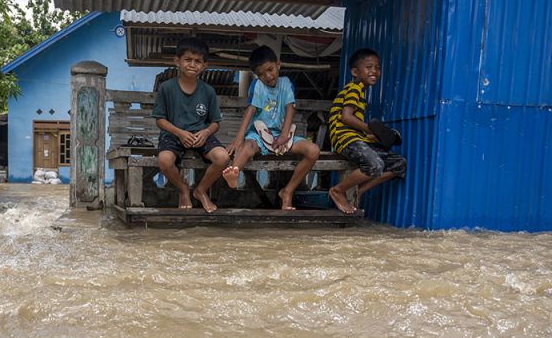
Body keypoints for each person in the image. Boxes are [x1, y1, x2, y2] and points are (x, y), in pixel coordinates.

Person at [222, 46, 320, 210]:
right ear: (256, 75)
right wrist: (238, 138)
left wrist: (283, 135)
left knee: (314, 150)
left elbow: (290, 108)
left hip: (283, 135)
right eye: (261, 74)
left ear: (278, 64)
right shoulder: (258, 86)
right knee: (247, 146)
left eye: (270, 69)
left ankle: (287, 192)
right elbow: (250, 110)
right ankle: (235, 172)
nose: (267, 76)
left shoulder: (286, 83)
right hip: (259, 135)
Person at [152, 37, 230, 212]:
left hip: (200, 135)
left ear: (205, 65)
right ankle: (183, 188)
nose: (192, 64)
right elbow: (160, 120)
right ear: (177, 61)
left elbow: (215, 122)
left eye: (198, 61)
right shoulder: (166, 88)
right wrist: (179, 133)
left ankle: (201, 190)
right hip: (173, 134)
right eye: (188, 60)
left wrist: (206, 132)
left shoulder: (208, 91)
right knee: (164, 160)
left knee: (223, 157)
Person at [328, 48, 407, 214]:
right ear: (355, 72)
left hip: (356, 138)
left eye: (377, 67)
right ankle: (337, 190)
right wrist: (371, 129)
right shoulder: (354, 88)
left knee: (399, 164)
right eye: (369, 67)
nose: (375, 71)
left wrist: (370, 135)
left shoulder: (360, 92)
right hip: (344, 138)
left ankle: (360, 191)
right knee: (375, 164)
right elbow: (346, 118)